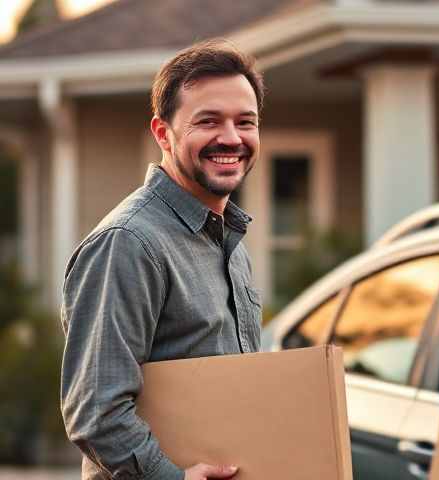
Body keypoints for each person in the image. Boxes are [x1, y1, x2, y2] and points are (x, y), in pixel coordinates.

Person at [60, 39, 265, 480]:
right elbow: (96, 411)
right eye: (207, 121)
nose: (231, 138)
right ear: (162, 133)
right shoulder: (129, 243)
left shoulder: (228, 240)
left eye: (245, 122)